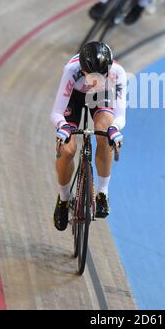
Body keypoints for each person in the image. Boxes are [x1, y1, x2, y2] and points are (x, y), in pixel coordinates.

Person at [51, 42, 127, 231]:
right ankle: (63, 198)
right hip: (74, 98)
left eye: (101, 76)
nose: (96, 80)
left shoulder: (118, 72)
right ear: (82, 70)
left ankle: (102, 192)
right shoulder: (71, 70)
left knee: (105, 137)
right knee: (66, 149)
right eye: (91, 76)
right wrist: (63, 127)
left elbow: (120, 115)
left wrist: (114, 129)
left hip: (102, 96)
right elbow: (57, 112)